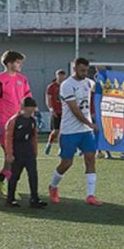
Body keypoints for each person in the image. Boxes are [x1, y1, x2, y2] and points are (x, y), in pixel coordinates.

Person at [49, 57, 102, 206]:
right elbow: (74, 109)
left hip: (85, 132)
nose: (84, 73)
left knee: (91, 159)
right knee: (66, 163)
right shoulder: (66, 85)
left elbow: (98, 88)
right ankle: (53, 186)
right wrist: (90, 124)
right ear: (75, 69)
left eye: (86, 70)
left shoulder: (88, 82)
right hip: (70, 131)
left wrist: (103, 76)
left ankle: (90, 195)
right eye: (81, 70)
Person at [0, 50, 33, 195]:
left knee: (13, 156)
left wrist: (31, 114)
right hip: (3, 123)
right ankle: (9, 186)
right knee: (12, 154)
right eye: (18, 62)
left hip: (19, 121)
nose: (20, 65)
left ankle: (1, 179)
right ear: (9, 63)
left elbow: (28, 98)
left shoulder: (23, 79)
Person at [4, 97, 48, 209]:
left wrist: (35, 151)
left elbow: (34, 137)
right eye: (29, 110)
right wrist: (9, 153)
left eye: (32, 111)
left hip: (28, 151)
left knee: (33, 174)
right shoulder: (14, 120)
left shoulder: (32, 121)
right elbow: (8, 138)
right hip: (18, 151)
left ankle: (34, 198)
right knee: (15, 176)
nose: (30, 113)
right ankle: (10, 198)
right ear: (22, 108)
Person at [44, 69, 66, 156]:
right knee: (56, 131)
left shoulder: (66, 86)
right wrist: (51, 109)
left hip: (65, 111)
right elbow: (48, 99)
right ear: (57, 76)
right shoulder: (51, 87)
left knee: (64, 131)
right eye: (60, 76)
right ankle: (49, 143)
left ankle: (61, 148)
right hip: (56, 111)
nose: (61, 78)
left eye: (63, 76)